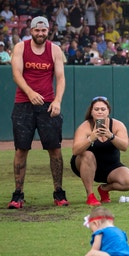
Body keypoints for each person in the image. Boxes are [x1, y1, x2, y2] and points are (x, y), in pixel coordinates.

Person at [8, 16, 68, 209]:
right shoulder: (20, 48)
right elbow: (16, 74)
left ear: (48, 31)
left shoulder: (55, 50)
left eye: (43, 31)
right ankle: (18, 195)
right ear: (31, 30)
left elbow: (60, 78)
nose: (40, 34)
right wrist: (30, 92)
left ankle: (59, 193)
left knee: (55, 149)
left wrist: (57, 101)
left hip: (48, 104)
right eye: (37, 30)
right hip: (24, 103)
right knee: (21, 149)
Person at [70, 97, 129, 206]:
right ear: (91, 112)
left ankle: (104, 189)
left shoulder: (117, 125)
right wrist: (90, 138)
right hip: (86, 164)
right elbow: (75, 150)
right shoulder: (85, 126)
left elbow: (124, 147)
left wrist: (111, 136)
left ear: (108, 111)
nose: (100, 112)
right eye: (96, 109)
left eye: (103, 109)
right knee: (88, 154)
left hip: (110, 166)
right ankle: (90, 195)